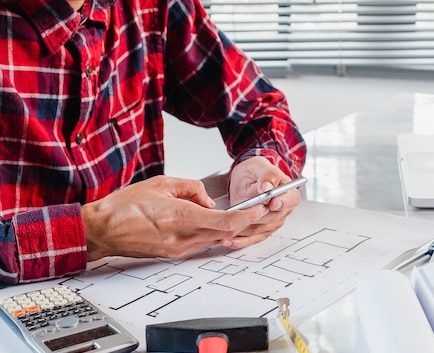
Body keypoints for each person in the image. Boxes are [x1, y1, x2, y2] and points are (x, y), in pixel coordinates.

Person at [0, 0, 307, 284]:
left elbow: (260, 108)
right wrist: (93, 232)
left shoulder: (151, 6)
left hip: (139, 285)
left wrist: (263, 165)